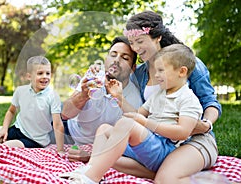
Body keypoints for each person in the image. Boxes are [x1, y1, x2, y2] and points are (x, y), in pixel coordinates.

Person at [59, 44, 202, 183]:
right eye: (155, 71)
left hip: (164, 150)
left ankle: (91, 179)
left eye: (161, 70)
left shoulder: (188, 99)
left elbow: (183, 132)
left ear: (182, 72)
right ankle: (91, 169)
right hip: (149, 146)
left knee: (126, 125)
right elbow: (137, 114)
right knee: (104, 129)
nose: (156, 75)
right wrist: (119, 97)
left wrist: (145, 123)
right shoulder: (159, 94)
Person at [111, 11, 221, 183]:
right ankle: (172, 174)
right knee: (110, 155)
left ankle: (170, 174)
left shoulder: (186, 63)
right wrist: (119, 98)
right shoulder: (140, 74)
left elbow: (210, 102)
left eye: (140, 41)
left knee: (165, 179)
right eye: (133, 43)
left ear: (158, 37)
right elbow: (141, 114)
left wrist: (205, 125)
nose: (136, 48)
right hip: (160, 140)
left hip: (193, 138)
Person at [61, 36, 142, 162]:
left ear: (133, 68)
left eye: (125, 58)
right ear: (106, 59)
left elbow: (126, 142)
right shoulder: (92, 79)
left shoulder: (134, 100)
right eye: (113, 55)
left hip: (98, 145)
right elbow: (65, 114)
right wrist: (83, 95)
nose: (116, 60)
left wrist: (91, 155)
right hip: (68, 132)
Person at [0, 56, 65, 154]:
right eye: (40, 73)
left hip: (35, 140)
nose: (45, 76)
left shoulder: (53, 96)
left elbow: (57, 124)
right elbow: (11, 111)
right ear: (29, 76)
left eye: (48, 73)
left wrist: (60, 150)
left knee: (6, 147)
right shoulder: (20, 91)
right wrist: (4, 129)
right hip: (18, 129)